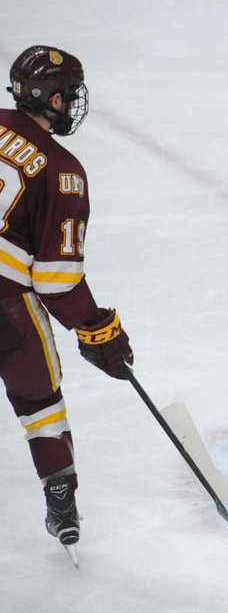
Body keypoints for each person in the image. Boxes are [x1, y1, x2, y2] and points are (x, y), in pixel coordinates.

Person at [1, 46, 135, 565]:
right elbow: (56, 280)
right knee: (40, 402)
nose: (74, 103)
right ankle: (61, 498)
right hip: (7, 306)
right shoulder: (62, 171)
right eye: (70, 94)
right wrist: (97, 329)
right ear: (54, 98)